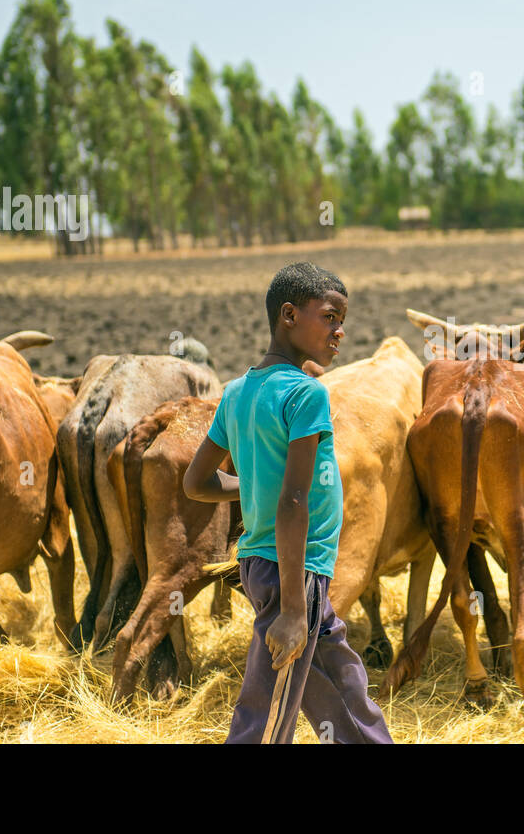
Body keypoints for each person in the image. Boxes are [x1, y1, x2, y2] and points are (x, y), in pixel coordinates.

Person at [183, 261, 393, 744]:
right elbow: (295, 502)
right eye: (330, 317)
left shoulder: (237, 393)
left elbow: (197, 481)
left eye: (343, 320)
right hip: (293, 572)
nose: (339, 331)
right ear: (289, 315)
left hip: (267, 564)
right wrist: (296, 609)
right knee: (267, 713)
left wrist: (253, 485)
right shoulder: (305, 394)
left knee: (344, 690)